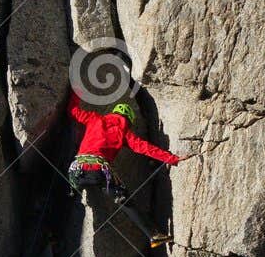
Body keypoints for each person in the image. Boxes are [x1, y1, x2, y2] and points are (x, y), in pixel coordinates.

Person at [65, 91, 186, 245]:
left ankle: (52, 232)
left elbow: (73, 111)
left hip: (77, 171)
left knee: (69, 197)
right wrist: (172, 158)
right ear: (128, 119)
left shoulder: (95, 119)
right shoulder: (124, 132)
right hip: (99, 172)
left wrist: (76, 92)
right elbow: (145, 147)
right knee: (125, 201)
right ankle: (153, 235)